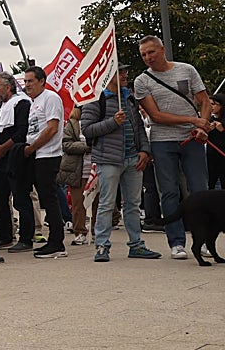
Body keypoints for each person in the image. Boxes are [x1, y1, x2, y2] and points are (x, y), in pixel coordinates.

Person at [133, 35, 212, 259]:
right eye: (143, 55)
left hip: (193, 140)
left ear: (162, 49)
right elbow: (155, 116)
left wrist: (202, 126)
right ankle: (176, 242)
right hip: (162, 140)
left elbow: (204, 101)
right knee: (168, 192)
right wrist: (192, 121)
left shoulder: (187, 70)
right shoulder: (142, 81)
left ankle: (204, 240)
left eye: (151, 52)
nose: (148, 58)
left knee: (200, 190)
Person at [80, 65, 162, 262]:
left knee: (133, 205)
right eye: (121, 72)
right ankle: (102, 246)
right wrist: (113, 122)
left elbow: (138, 127)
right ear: (109, 75)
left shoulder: (130, 97)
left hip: (133, 158)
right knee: (107, 204)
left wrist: (144, 150)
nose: (126, 75)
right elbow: (87, 130)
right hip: (108, 159)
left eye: (126, 71)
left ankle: (136, 245)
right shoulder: (96, 99)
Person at [20, 66, 67, 259]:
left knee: (49, 198)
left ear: (42, 81)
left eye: (30, 81)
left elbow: (52, 128)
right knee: (44, 197)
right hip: (37, 156)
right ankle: (52, 240)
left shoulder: (51, 98)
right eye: (25, 81)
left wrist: (32, 148)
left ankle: (57, 242)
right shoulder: (34, 102)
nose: (27, 85)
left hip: (48, 154)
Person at [0, 73, 31, 252]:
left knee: (20, 199)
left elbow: (22, 131)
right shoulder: (0, 105)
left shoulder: (21, 104)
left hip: (15, 158)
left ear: (8, 86)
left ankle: (26, 239)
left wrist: (4, 147)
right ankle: (4, 236)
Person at [56, 106, 91, 243]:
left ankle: (96, 232)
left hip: (96, 168)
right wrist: (86, 147)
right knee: (78, 204)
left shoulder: (99, 123)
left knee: (99, 204)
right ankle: (80, 232)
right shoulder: (72, 124)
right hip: (77, 171)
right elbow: (66, 144)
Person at [208, 93, 225, 190]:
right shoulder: (209, 120)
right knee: (210, 183)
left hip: (223, 156)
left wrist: (222, 130)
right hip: (211, 157)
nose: (211, 107)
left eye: (213, 104)